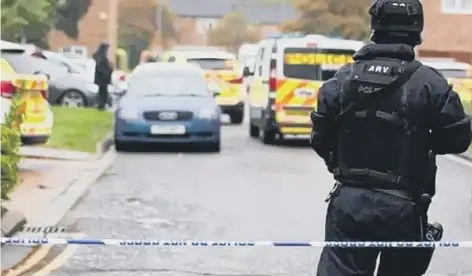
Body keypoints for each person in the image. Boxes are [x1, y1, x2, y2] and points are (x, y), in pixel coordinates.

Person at [311, 0, 472, 275]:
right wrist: (422, 143)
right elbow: (458, 140)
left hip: (350, 202)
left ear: (375, 27)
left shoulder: (341, 80)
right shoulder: (430, 84)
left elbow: (320, 138)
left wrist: (341, 166)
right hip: (404, 205)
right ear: (416, 30)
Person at [92, 43, 113, 110]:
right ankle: (101, 105)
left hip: (101, 77)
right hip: (103, 78)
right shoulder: (101, 56)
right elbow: (102, 67)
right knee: (103, 92)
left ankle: (100, 104)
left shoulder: (100, 55)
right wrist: (108, 71)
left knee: (101, 91)